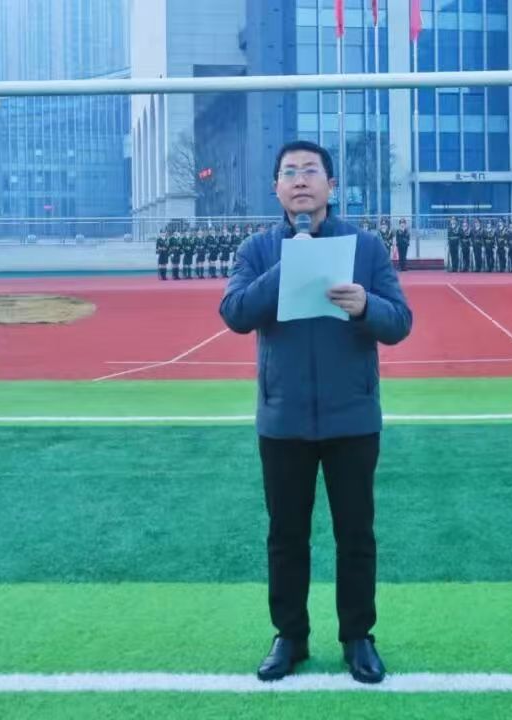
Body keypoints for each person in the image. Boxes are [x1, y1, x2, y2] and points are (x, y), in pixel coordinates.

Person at [219, 140, 412, 685]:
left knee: (356, 535)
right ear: (276, 188)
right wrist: (289, 266)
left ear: (331, 185)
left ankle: (358, 637)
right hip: (283, 420)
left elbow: (400, 322)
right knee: (286, 536)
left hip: (353, 418)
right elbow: (235, 312)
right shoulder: (258, 250)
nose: (300, 180)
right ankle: (290, 636)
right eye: (289, 172)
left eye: (310, 171)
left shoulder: (365, 248)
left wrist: (366, 306)